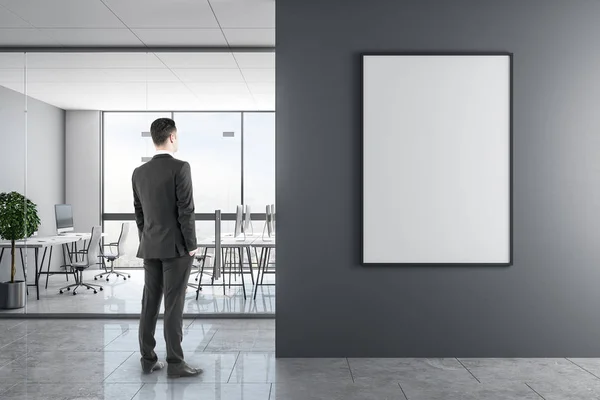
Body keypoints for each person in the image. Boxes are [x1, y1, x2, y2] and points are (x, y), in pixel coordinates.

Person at [132, 117, 202, 378]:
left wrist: (147, 239)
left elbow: (139, 213)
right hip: (176, 249)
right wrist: (191, 244)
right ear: (172, 137)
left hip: (150, 246)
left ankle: (148, 359)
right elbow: (186, 210)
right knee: (174, 305)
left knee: (149, 302)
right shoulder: (181, 167)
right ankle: (175, 363)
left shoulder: (138, 173)